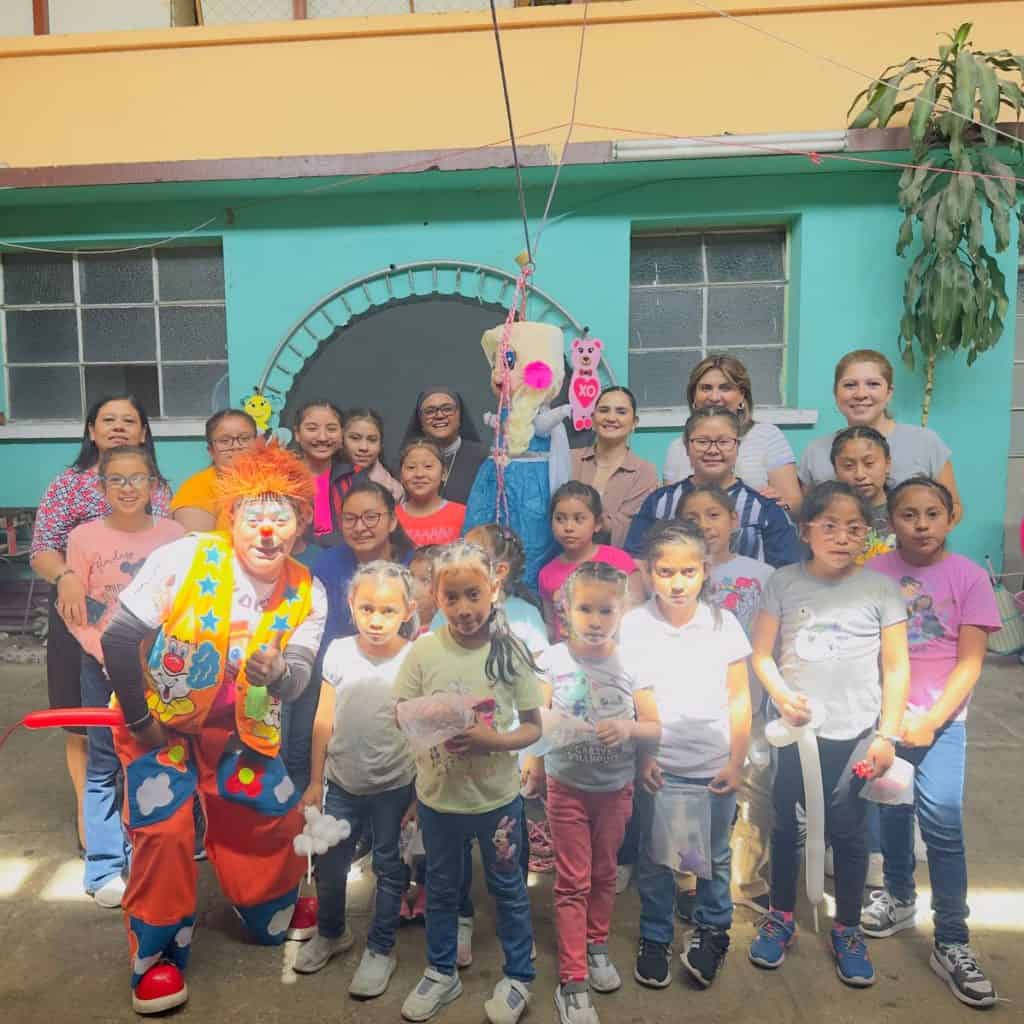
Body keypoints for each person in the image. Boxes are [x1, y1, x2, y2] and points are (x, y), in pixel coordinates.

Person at [97, 444, 327, 1014]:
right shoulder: (187, 558)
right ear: (232, 520)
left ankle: (267, 904)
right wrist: (140, 720)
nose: (267, 531)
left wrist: (279, 675)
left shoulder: (308, 591)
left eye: (283, 518)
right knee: (165, 834)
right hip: (159, 720)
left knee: (269, 812)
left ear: (302, 526)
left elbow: (298, 677)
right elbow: (119, 639)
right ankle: (157, 955)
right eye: (254, 516)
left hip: (241, 726)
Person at [747, 481, 909, 988]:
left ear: (868, 534)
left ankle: (848, 928)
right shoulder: (783, 582)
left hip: (857, 732)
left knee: (849, 825)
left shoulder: (880, 589)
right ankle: (781, 916)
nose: (842, 537)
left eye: (854, 528)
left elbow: (897, 667)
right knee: (785, 822)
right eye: (830, 526)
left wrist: (886, 736)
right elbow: (761, 655)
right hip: (798, 735)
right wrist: (780, 695)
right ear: (805, 531)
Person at [862, 477, 1000, 1009]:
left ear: (950, 518)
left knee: (942, 824)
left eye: (933, 514)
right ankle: (898, 895)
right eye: (909, 515)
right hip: (886, 721)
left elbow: (970, 660)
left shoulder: (968, 577)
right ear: (890, 521)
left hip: (941, 724)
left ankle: (952, 940)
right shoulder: (873, 573)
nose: (922, 525)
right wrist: (885, 720)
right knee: (892, 812)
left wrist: (934, 719)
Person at [394, 540, 542, 1024]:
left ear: (495, 588)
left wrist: (489, 740)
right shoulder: (423, 651)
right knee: (440, 887)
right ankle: (441, 971)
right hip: (438, 801)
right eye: (452, 597)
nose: (463, 609)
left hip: (497, 802)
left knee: (508, 887)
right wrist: (435, 720)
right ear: (435, 597)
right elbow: (402, 715)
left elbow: (533, 727)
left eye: (473, 595)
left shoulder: (510, 650)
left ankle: (519, 975)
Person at [30, 393, 172, 854]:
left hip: (147, 633)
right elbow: (43, 548)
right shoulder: (68, 485)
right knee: (85, 723)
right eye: (106, 420)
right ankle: (92, 820)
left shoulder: (159, 487)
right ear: (91, 431)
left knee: (147, 720)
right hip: (83, 620)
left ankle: (144, 819)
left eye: (128, 420)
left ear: (143, 432)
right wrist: (67, 576)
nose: (116, 427)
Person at [525, 562, 661, 1024]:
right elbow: (536, 717)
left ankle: (597, 942)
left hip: (616, 790)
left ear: (621, 611)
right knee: (571, 881)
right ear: (566, 610)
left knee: (604, 874)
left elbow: (654, 725)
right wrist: (533, 765)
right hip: (565, 788)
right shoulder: (552, 659)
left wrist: (631, 735)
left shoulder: (633, 663)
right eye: (586, 609)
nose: (596, 619)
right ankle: (573, 978)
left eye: (606, 610)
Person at [619, 522, 753, 991]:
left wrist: (736, 761)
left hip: (714, 766)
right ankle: (655, 937)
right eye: (665, 571)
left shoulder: (724, 624)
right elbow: (641, 694)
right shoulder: (635, 625)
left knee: (712, 857)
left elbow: (739, 697)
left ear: (705, 571)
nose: (676, 582)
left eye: (688, 571)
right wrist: (646, 757)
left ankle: (713, 931)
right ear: (648, 572)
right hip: (664, 770)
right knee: (658, 859)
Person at [66, 445, 185, 907]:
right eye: (117, 480)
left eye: (138, 479)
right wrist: (108, 658)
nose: (128, 488)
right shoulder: (84, 538)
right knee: (102, 764)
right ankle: (102, 868)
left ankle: (149, 856)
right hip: (99, 665)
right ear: (102, 487)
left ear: (154, 485)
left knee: (154, 756)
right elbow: (77, 610)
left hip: (160, 670)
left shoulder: (174, 534)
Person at [294, 561, 419, 1000]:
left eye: (388, 610)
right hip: (341, 782)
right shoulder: (339, 651)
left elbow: (421, 731)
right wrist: (314, 780)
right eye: (367, 608)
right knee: (330, 864)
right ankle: (331, 932)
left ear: (408, 611)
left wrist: (419, 795)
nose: (377, 619)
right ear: (351, 607)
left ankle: (381, 949)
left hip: (394, 785)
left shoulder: (414, 659)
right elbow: (324, 719)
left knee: (389, 868)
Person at [435, 525, 548, 964]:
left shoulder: (524, 621)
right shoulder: (440, 622)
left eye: (474, 555)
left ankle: (511, 920)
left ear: (497, 577)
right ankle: (461, 918)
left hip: (505, 761)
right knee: (455, 852)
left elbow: (538, 696)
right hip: (450, 770)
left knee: (507, 849)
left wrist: (532, 755)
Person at [676, 485, 774, 913]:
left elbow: (776, 639)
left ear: (734, 521)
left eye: (713, 515)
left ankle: (746, 880)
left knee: (754, 792)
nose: (704, 525)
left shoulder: (763, 574)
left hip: (749, 704)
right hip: (690, 707)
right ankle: (686, 880)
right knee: (688, 797)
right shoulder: (674, 573)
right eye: (692, 517)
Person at [624, 407, 802, 568]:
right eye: (702, 441)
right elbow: (635, 562)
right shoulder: (659, 503)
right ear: (686, 447)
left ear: (737, 446)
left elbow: (786, 572)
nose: (713, 450)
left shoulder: (763, 508)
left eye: (723, 442)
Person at [798, 349, 962, 522]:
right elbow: (806, 515)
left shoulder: (925, 442)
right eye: (850, 385)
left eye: (873, 384)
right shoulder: (815, 451)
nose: (861, 394)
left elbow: (953, 507)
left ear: (889, 392)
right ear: (835, 393)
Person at [662, 354, 801, 513]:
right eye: (706, 388)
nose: (714, 397)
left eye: (725, 388)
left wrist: (781, 505)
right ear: (693, 395)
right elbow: (668, 509)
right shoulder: (677, 447)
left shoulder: (767, 436)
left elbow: (796, 506)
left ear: (742, 395)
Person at [538, 482, 643, 643]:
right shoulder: (547, 574)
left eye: (579, 519)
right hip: (568, 658)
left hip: (613, 655)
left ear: (598, 523)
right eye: (560, 519)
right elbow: (551, 627)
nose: (568, 527)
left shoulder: (619, 561)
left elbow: (636, 615)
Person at [570, 386, 659, 548]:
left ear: (634, 423)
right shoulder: (570, 458)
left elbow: (630, 527)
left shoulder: (644, 472)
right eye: (604, 410)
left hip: (616, 565)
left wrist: (584, 518)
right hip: (565, 558)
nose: (611, 418)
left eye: (621, 412)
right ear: (592, 419)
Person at [171, 409, 260, 531]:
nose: (236, 446)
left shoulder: (277, 479)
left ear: (257, 442)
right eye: (225, 441)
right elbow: (198, 545)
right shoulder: (197, 487)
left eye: (244, 438)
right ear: (211, 450)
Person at [403, 388, 488, 505]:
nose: (439, 415)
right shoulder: (406, 461)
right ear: (420, 420)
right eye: (430, 411)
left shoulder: (484, 459)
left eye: (447, 409)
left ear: (460, 415)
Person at [829, 426, 895, 562]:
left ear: (887, 464)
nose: (860, 475)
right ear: (836, 470)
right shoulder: (826, 516)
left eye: (869, 463)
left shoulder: (903, 512)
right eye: (848, 466)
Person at [292, 400, 354, 541]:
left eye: (331, 429)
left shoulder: (353, 478)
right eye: (312, 429)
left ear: (341, 433)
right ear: (297, 433)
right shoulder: (282, 478)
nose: (322, 437)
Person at [396, 438, 467, 547]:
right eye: (411, 467)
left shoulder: (463, 515)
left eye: (428, 466)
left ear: (444, 473)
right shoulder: (392, 518)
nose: (419, 474)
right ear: (401, 475)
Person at [341, 407, 404, 503]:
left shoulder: (394, 491)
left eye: (372, 440)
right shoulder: (323, 479)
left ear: (380, 445)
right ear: (341, 439)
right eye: (355, 438)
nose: (364, 447)